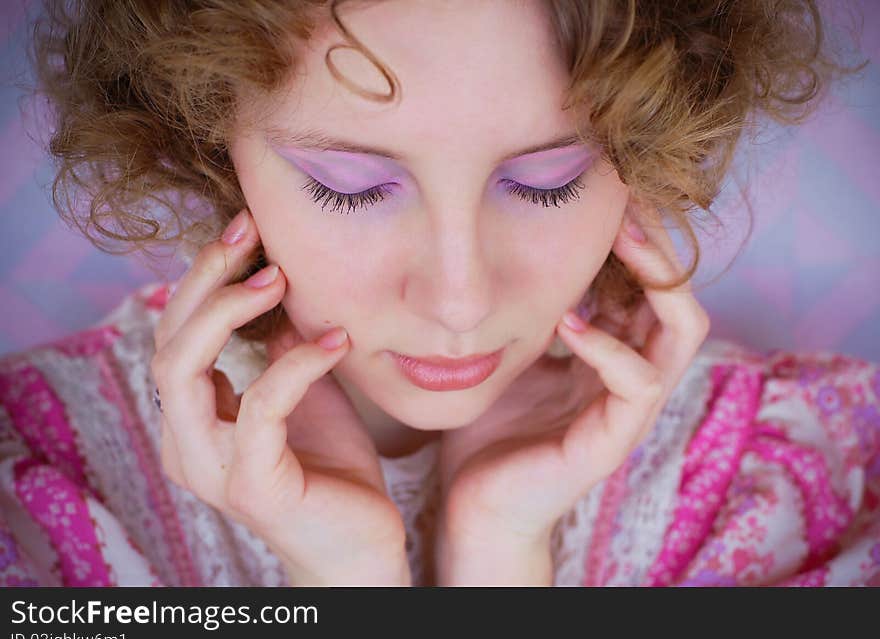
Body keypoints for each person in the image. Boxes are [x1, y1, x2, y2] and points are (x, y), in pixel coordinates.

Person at [0, 0, 877, 587]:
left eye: (547, 181)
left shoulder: (781, 480)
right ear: (204, 132)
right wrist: (342, 579)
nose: (460, 303)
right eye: (348, 186)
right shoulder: (39, 491)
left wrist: (499, 550)